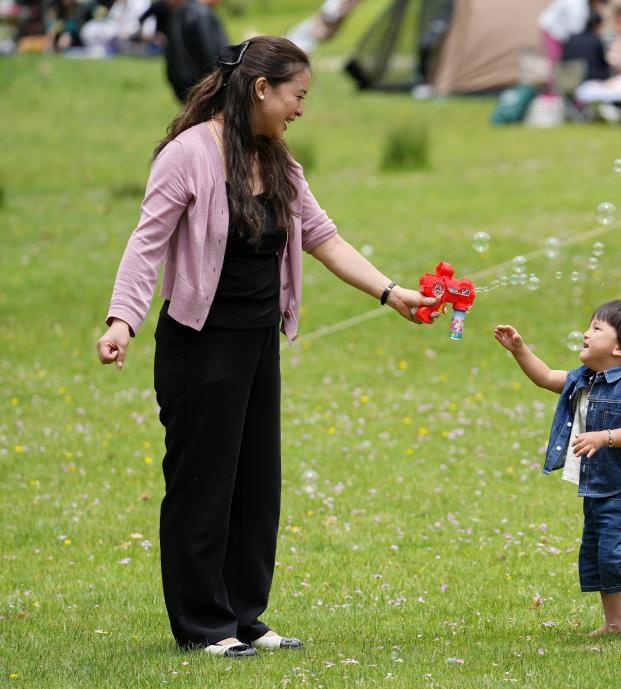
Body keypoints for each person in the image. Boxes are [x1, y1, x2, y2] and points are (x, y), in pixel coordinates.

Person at [96, 36, 439, 657]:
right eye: (296, 95)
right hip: (199, 346)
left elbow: (323, 237)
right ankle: (204, 626)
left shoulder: (277, 159)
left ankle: (244, 617)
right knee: (203, 483)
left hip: (257, 344)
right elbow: (146, 245)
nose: (300, 109)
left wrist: (392, 293)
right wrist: (123, 320)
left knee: (256, 485)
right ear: (261, 88)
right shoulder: (186, 155)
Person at [494, 301, 621, 640]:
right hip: (600, 488)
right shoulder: (586, 380)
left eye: (596, 328)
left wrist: (605, 437)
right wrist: (519, 350)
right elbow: (546, 377)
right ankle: (616, 623)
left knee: (618, 556)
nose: (585, 333)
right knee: (601, 556)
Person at [162, 0, 227, 102]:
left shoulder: (177, 12)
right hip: (202, 83)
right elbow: (211, 54)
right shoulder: (203, 14)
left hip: (180, 83)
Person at [561, 9, 610, 83]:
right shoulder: (595, 40)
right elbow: (603, 64)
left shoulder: (572, 38)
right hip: (589, 80)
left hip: (568, 80)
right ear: (597, 25)